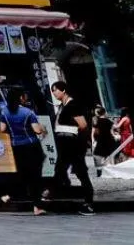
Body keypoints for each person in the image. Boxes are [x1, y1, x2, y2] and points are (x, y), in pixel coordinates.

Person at [45, 81, 95, 215]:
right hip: (65, 145)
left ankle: (89, 203)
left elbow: (83, 125)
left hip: (73, 145)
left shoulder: (72, 105)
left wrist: (74, 136)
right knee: (60, 170)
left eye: (55, 90)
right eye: (52, 91)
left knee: (80, 172)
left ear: (63, 90)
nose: (54, 93)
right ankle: (49, 194)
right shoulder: (63, 105)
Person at [0, 87, 47, 214]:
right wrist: (43, 128)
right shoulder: (27, 112)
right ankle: (37, 206)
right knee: (34, 176)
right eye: (24, 96)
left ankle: (9, 195)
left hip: (16, 146)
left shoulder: (4, 112)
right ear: (20, 97)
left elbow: (2, 129)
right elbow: (37, 130)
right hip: (31, 146)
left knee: (20, 173)